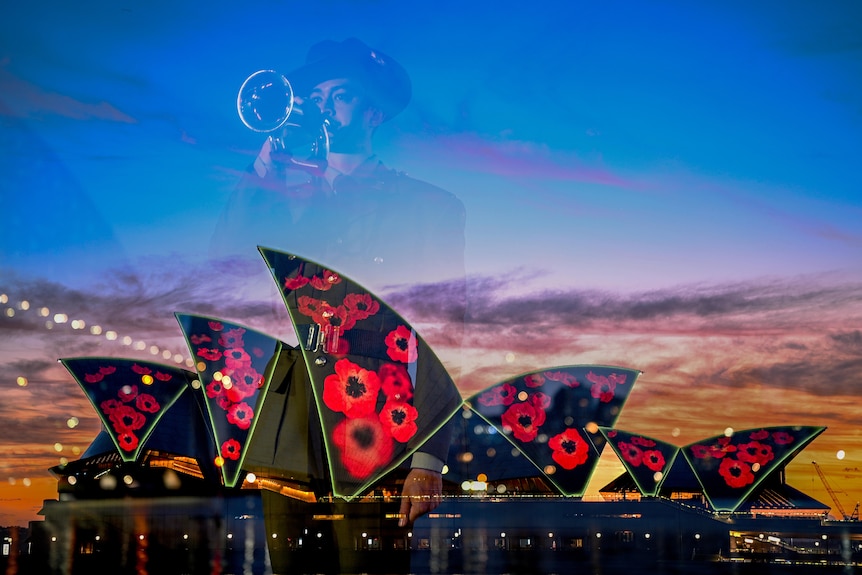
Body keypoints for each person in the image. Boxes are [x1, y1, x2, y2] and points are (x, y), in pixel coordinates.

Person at [212, 38, 466, 573]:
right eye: (317, 96)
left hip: (378, 422)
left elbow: (445, 332)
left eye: (340, 95)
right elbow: (223, 264)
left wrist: (429, 456)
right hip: (287, 421)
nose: (323, 106)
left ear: (373, 112)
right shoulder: (280, 196)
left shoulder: (430, 207)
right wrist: (267, 166)